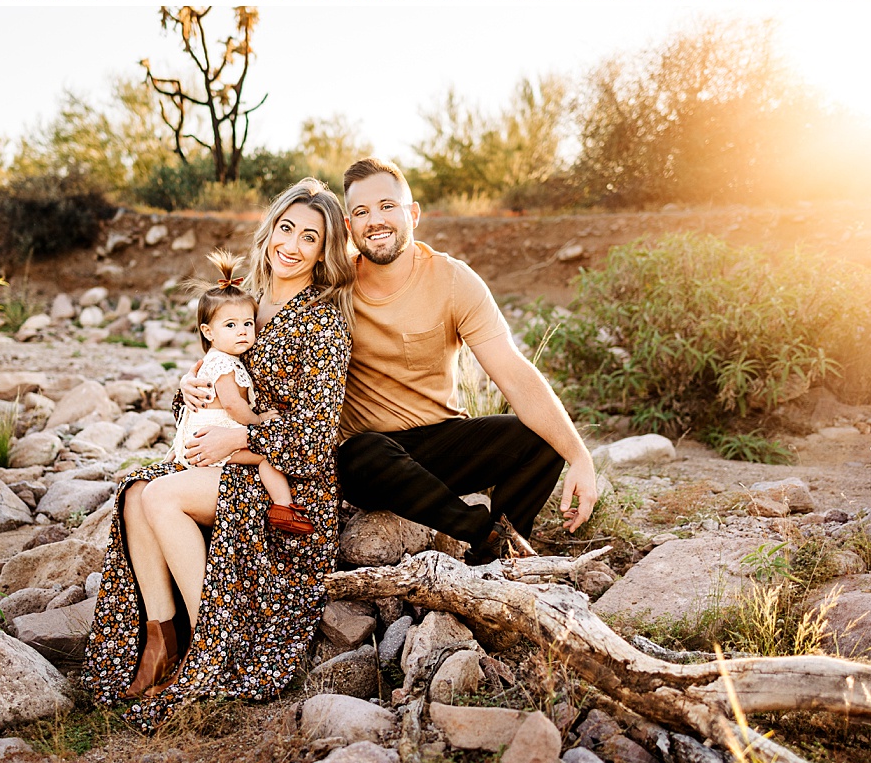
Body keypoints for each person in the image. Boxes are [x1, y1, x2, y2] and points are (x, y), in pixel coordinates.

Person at [180, 159, 596, 565]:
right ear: (348, 227)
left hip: (443, 439)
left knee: (541, 437)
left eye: (387, 207)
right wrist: (196, 378)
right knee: (364, 453)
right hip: (369, 461)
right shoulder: (331, 289)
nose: (375, 220)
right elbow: (256, 348)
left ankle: (498, 548)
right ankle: (480, 530)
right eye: (360, 211)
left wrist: (579, 455)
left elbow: (514, 371)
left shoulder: (454, 280)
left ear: (412, 213)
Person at [83, 182, 352, 723]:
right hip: (233, 459)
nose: (292, 246)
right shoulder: (244, 303)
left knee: (162, 500)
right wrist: (191, 394)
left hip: (290, 480)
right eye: (285, 229)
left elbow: (318, 432)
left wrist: (244, 438)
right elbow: (219, 392)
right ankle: (162, 643)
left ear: (325, 252)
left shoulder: (323, 322)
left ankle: (215, 647)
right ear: (269, 230)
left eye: (310, 238)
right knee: (135, 492)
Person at [173, 253, 315, 537]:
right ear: (207, 331)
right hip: (210, 442)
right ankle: (284, 507)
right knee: (265, 458)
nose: (242, 332)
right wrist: (259, 420)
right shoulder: (225, 365)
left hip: (200, 440)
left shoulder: (218, 358)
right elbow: (233, 405)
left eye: (248, 324)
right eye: (230, 325)